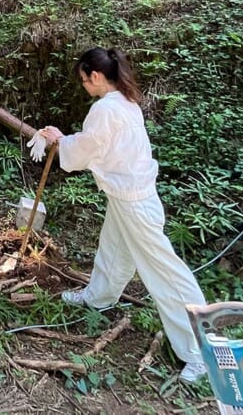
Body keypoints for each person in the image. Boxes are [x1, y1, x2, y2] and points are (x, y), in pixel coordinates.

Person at [26, 47, 208, 383]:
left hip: (135, 200)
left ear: (95, 76)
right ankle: (100, 297)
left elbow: (85, 150)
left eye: (84, 80)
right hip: (129, 194)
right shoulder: (125, 101)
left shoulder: (106, 109)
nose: (84, 86)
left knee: (164, 272)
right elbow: (100, 146)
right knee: (115, 248)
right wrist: (66, 140)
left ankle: (200, 349)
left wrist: (60, 141)